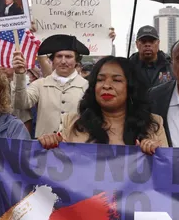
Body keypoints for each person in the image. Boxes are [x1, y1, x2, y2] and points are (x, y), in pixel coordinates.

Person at [38, 56, 168, 155]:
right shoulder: (71, 124)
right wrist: (51, 145)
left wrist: (156, 154)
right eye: (100, 80)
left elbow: (165, 172)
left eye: (116, 80)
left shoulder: (153, 125)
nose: (106, 86)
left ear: (131, 88)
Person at [12, 34, 89, 137]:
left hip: (77, 148)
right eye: (59, 56)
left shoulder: (87, 86)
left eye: (68, 57)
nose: (63, 61)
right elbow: (21, 103)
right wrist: (19, 74)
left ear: (76, 61)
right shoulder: (40, 84)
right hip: (45, 149)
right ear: (52, 60)